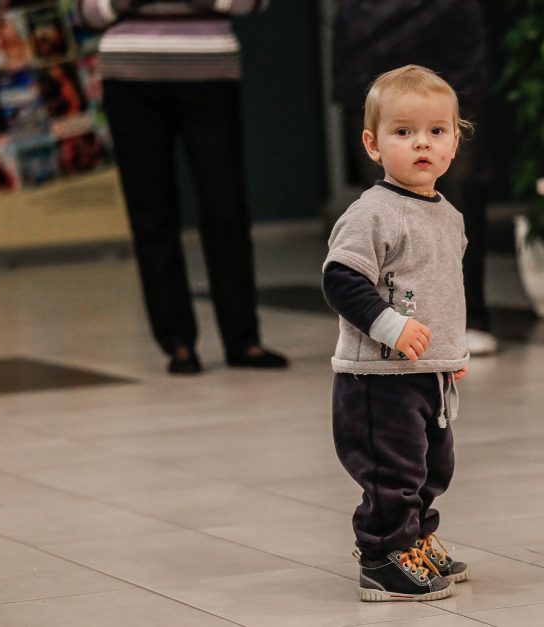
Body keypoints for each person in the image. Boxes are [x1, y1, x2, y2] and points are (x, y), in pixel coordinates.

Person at [73, 0, 287, 375]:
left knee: (226, 209)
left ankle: (243, 341)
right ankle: (177, 344)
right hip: (129, 77)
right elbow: (87, 13)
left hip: (209, 73)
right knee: (151, 213)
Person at [323, 65, 470, 602]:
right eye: (403, 132)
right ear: (373, 144)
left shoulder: (447, 214)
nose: (422, 144)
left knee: (434, 462)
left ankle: (416, 537)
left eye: (436, 131)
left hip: (426, 370)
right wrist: (390, 326)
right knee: (394, 468)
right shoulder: (373, 213)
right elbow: (341, 279)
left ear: (456, 139)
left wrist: (453, 350)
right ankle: (383, 554)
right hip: (378, 376)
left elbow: (443, 289)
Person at [331, 0, 498, 356]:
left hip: (450, 38)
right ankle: (384, 321)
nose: (423, 142)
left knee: (457, 201)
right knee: (385, 207)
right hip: (369, 39)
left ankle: (461, 325)